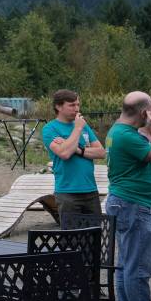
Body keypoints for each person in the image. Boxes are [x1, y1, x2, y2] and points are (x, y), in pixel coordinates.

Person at [105, 90, 151, 301]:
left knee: (126, 263)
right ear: (144, 113)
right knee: (138, 267)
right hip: (133, 203)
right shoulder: (128, 136)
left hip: (124, 201)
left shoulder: (118, 130)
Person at [42, 89, 105, 217]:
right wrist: (77, 128)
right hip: (67, 193)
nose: (76, 109)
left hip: (90, 190)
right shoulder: (50, 129)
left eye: (78, 104)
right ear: (58, 106)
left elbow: (101, 152)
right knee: (72, 236)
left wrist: (77, 149)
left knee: (94, 234)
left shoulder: (84, 126)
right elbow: (65, 154)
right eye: (71, 105)